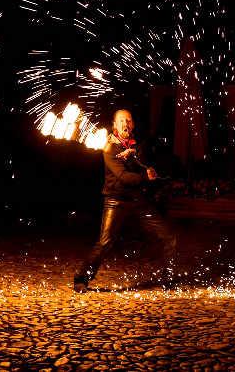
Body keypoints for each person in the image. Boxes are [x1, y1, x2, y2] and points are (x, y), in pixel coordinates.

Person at [73, 109, 177, 292]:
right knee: (105, 242)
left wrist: (134, 155)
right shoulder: (109, 147)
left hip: (138, 199)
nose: (125, 124)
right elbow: (123, 176)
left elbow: (146, 164)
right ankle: (81, 278)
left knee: (168, 237)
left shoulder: (138, 145)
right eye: (121, 121)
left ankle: (168, 279)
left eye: (128, 120)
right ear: (114, 125)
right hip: (116, 199)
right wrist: (145, 176)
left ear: (133, 124)